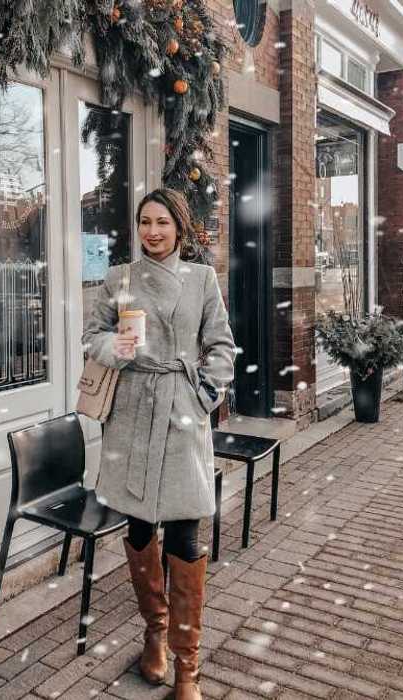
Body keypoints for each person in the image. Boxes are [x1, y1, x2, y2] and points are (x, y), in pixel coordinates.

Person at [81, 188, 235, 700]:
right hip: (130, 413)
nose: (153, 231)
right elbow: (91, 336)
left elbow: (221, 345)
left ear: (179, 227)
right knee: (142, 527)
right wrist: (113, 346)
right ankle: (155, 634)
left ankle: (189, 667)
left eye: (162, 222)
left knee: (186, 534)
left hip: (182, 411)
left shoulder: (200, 279)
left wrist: (203, 396)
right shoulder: (119, 278)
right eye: (145, 222)